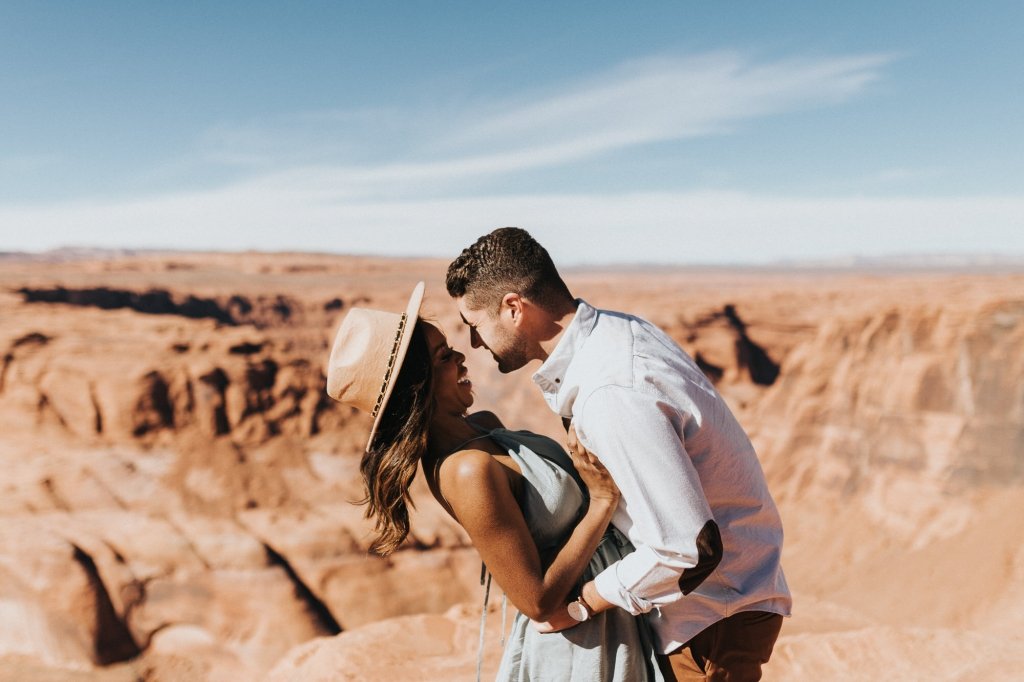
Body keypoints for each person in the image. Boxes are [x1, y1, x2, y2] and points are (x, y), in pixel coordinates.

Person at [445, 228, 792, 682]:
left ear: (514, 308)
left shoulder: (609, 391)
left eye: (474, 325)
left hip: (711, 617)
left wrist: (581, 604)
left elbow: (686, 546)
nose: (474, 344)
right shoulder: (614, 333)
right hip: (715, 604)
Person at [325, 282, 666, 681]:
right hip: (580, 644)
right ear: (418, 387)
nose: (461, 356)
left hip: (617, 609)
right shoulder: (466, 471)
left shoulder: (483, 426)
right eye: (444, 356)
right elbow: (536, 602)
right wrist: (601, 503)